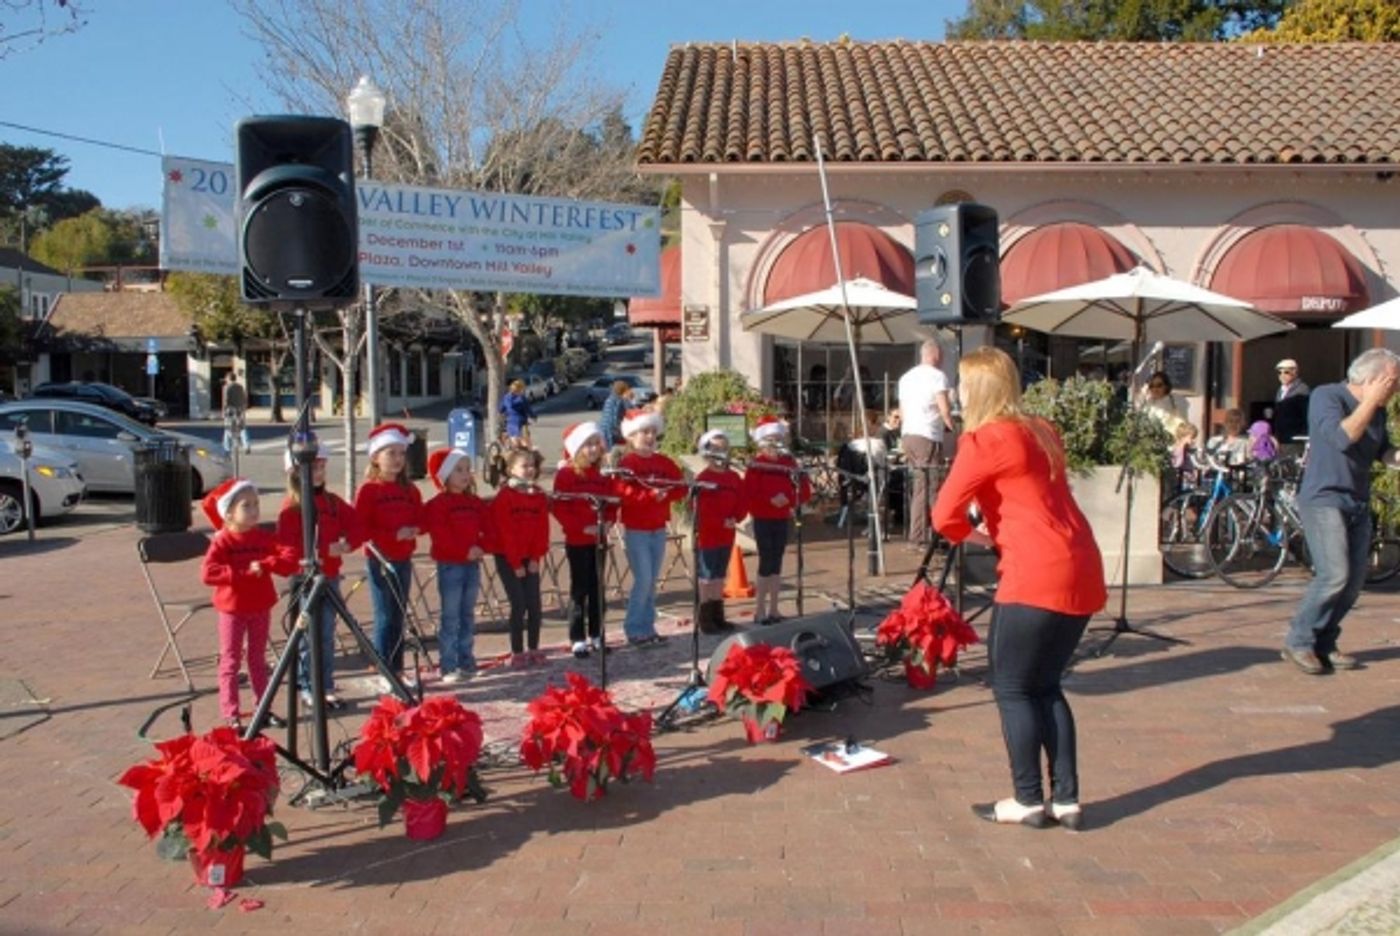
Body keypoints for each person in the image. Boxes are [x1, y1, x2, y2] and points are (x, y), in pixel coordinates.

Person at [932, 347, 1107, 830]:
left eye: (962, 384)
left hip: (1034, 570)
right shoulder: (1043, 429)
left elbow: (944, 516)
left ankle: (1027, 798)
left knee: (1012, 688)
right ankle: (1066, 799)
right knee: (1047, 685)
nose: (957, 393)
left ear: (976, 390)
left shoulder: (983, 440)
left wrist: (982, 538)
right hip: (1081, 562)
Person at [1282, 348, 1400, 676]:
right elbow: (1343, 437)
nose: (1396, 388)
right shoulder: (1327, 396)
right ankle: (1299, 640)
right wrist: (1369, 401)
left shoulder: (1377, 411)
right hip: (1324, 499)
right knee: (1334, 575)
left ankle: (1324, 641)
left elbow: (1382, 451)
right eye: (1392, 381)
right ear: (1373, 378)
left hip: (1357, 501)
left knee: (1353, 582)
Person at [201, 478, 296, 730]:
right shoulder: (223, 541)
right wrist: (241, 573)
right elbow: (208, 573)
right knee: (231, 660)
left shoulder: (262, 538)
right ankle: (231, 714)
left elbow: (288, 558)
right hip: (233, 609)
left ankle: (263, 708)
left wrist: (268, 564)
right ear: (229, 513)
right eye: (246, 506)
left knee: (257, 658)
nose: (254, 511)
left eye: (256, 504)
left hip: (260, 606)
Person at [277, 442, 364, 711]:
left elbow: (358, 525)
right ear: (295, 472)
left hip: (330, 577)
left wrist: (348, 544)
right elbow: (289, 547)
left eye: (322, 467)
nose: (319, 472)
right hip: (307, 581)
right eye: (313, 467)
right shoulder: (291, 508)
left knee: (326, 635)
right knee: (308, 636)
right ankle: (308, 686)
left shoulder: (332, 502)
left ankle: (325, 685)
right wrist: (324, 550)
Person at [353, 423, 424, 691]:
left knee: (399, 614)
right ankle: (384, 667)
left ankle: (398, 667)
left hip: (403, 558)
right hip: (380, 560)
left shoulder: (410, 490)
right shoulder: (369, 490)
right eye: (390, 453)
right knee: (384, 614)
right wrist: (393, 535)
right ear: (375, 457)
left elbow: (421, 517)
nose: (397, 459)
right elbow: (362, 528)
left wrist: (415, 529)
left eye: (401, 453)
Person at [615, 408, 684, 646]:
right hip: (637, 529)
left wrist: (666, 495)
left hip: (658, 528)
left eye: (653, 432)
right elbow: (623, 492)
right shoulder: (628, 463)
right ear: (632, 436)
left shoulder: (664, 462)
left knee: (652, 580)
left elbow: (681, 486)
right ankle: (634, 628)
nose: (650, 437)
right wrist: (649, 496)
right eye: (644, 432)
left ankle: (647, 627)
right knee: (643, 579)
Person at [424, 447, 491, 683]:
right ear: (445, 476)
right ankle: (448, 665)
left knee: (467, 615)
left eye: (467, 470)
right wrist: (463, 550)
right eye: (458, 470)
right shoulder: (438, 504)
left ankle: (466, 661)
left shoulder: (474, 502)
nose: (465, 475)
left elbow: (488, 528)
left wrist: (481, 546)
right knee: (451, 616)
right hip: (451, 565)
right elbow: (441, 536)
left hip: (472, 565)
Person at [552, 422, 618, 659]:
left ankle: (597, 634)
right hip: (578, 541)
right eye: (587, 445)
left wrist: (608, 522)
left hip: (598, 539)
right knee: (579, 589)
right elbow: (560, 508)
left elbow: (612, 503)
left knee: (597, 588)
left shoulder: (603, 476)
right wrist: (581, 527)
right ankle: (577, 638)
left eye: (595, 444)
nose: (593, 449)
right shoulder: (566, 475)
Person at [743, 416, 812, 625]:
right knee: (766, 562)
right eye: (770, 439)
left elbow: (804, 491)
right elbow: (749, 493)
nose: (774, 444)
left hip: (781, 517)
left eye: (777, 439)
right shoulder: (757, 465)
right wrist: (769, 500)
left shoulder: (789, 464)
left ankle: (774, 608)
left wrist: (789, 499)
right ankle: (760, 610)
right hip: (763, 517)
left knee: (777, 562)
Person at [490, 447, 551, 666]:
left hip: (529, 557)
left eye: (532, 465)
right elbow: (505, 532)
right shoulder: (505, 497)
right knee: (519, 604)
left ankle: (534, 648)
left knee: (534, 605)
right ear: (511, 469)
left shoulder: (538, 495)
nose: (529, 470)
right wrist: (515, 563)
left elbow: (542, 529)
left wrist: (535, 558)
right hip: (508, 557)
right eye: (524, 466)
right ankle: (517, 651)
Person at [898, 338, 956, 547]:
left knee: (922, 485)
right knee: (928, 487)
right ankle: (923, 537)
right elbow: (945, 409)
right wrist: (954, 429)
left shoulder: (906, 378)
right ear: (936, 355)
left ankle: (932, 533)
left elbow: (902, 411)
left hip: (909, 435)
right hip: (927, 435)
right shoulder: (937, 376)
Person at [693, 429, 746, 634]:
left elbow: (742, 501)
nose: (719, 453)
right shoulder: (703, 478)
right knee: (707, 576)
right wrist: (720, 521)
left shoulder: (733, 477)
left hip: (726, 534)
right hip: (708, 536)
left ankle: (718, 615)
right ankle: (705, 617)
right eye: (715, 449)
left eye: (723, 448)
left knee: (719, 575)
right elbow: (701, 510)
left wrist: (736, 518)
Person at [1272, 358, 1311, 452]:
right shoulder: (1281, 390)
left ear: (1295, 373)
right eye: (1279, 373)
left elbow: (1305, 414)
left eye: (1286, 372)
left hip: (1295, 439)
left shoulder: (1302, 390)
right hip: (1281, 437)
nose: (1282, 375)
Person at [499, 378, 535, 449]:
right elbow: (528, 409)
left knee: (513, 442)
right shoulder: (522, 399)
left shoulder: (506, 398)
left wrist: (502, 412)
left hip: (511, 422)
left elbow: (501, 409)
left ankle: (511, 447)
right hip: (521, 422)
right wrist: (533, 416)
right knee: (526, 443)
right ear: (520, 389)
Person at [222, 370, 250, 455]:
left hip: (230, 410)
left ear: (228, 378)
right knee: (242, 428)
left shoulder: (226, 387)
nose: (225, 380)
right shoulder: (240, 387)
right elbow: (244, 398)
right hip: (239, 410)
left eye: (226, 378)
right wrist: (243, 408)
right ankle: (246, 446)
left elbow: (225, 400)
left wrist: (223, 411)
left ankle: (227, 448)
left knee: (228, 429)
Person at [598, 380, 633, 449]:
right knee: (612, 450)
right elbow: (630, 410)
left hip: (603, 428)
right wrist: (629, 399)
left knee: (606, 449)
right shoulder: (620, 400)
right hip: (612, 430)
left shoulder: (609, 399)